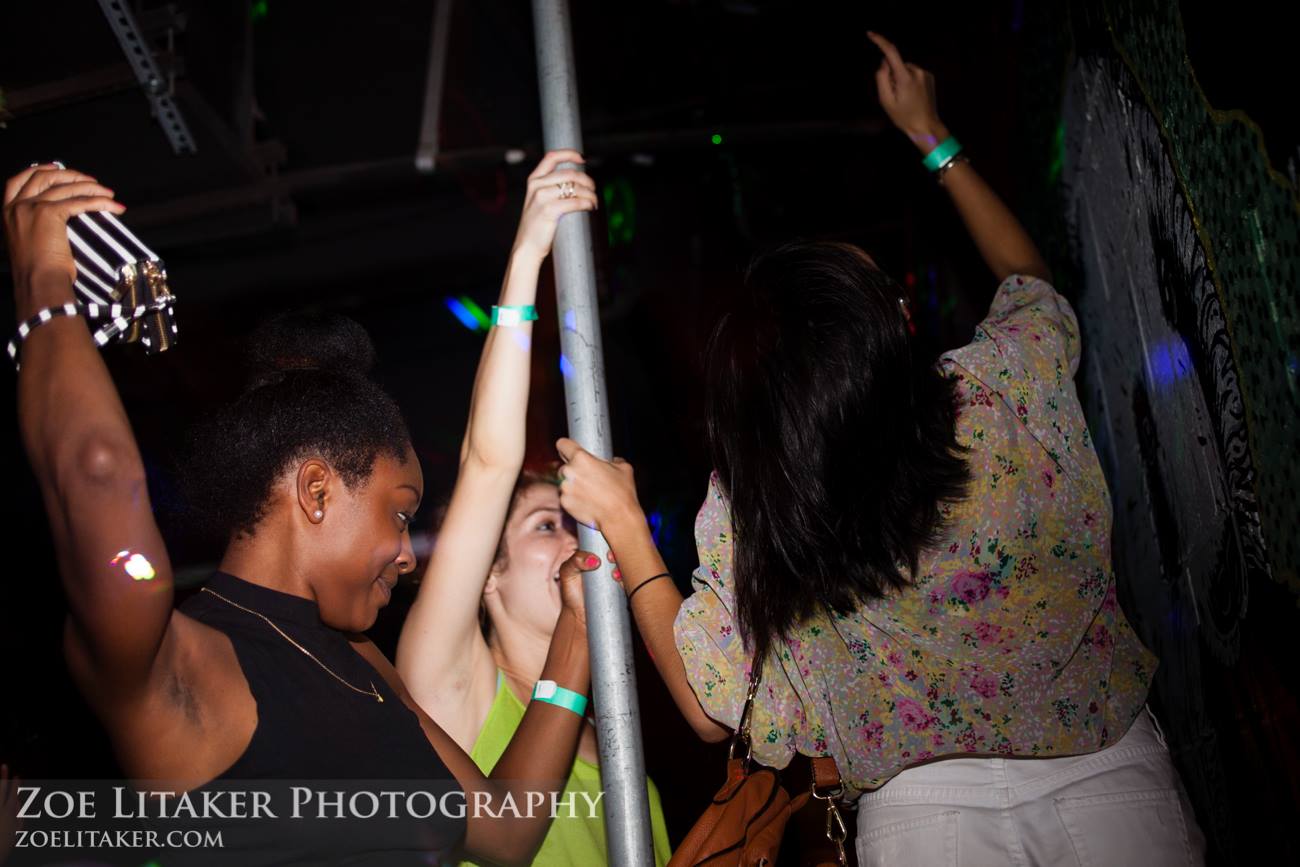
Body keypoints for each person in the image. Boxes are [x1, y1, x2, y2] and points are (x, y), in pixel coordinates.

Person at [552, 33, 1205, 866]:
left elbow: (711, 710)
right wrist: (931, 135)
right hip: (1106, 772)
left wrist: (623, 520)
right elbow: (1028, 278)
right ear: (889, 334)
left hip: (923, 825)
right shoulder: (994, 387)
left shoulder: (761, 499)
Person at [3, 154, 600, 865]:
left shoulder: (366, 668)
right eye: (399, 515)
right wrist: (44, 284)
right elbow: (98, 472)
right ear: (317, 492)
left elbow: (507, 828)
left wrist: (577, 631)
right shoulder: (181, 662)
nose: (407, 555)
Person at [395, 152, 673, 866]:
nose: (576, 540)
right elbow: (487, 465)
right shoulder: (456, 686)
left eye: (575, 522)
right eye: (546, 525)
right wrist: (527, 257)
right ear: (488, 574)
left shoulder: (620, 750)